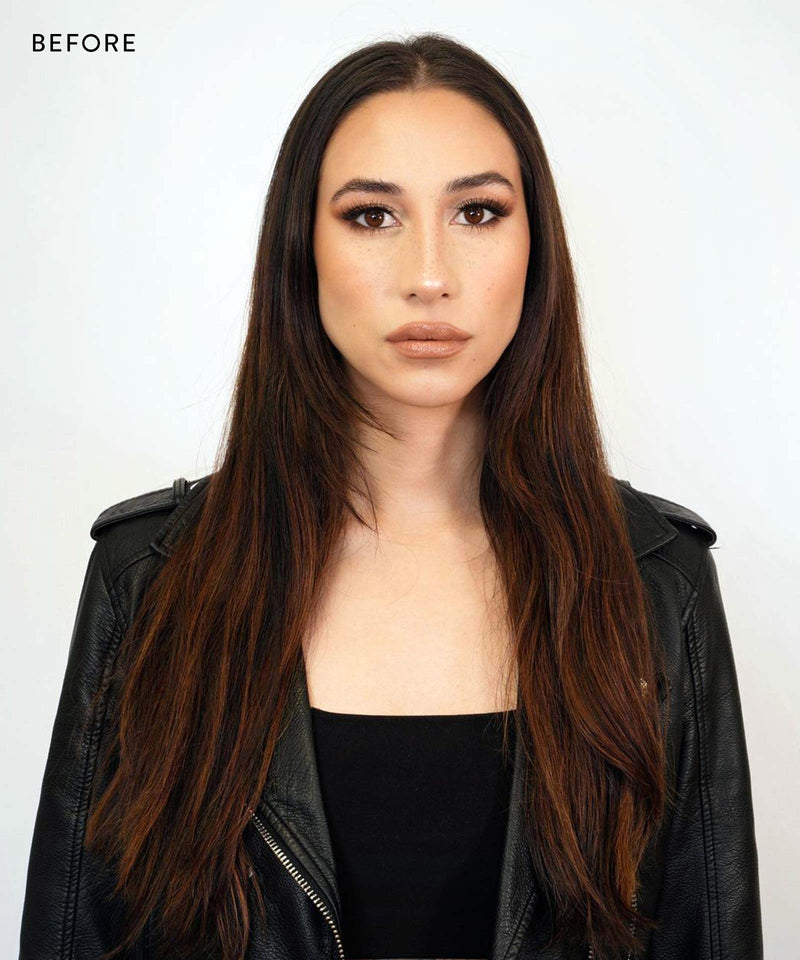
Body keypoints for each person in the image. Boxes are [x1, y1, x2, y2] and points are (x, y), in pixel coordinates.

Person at [18, 32, 762, 960]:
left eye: (479, 213)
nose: (429, 276)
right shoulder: (149, 580)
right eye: (372, 216)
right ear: (303, 249)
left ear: (537, 249)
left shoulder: (658, 583)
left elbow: (706, 933)